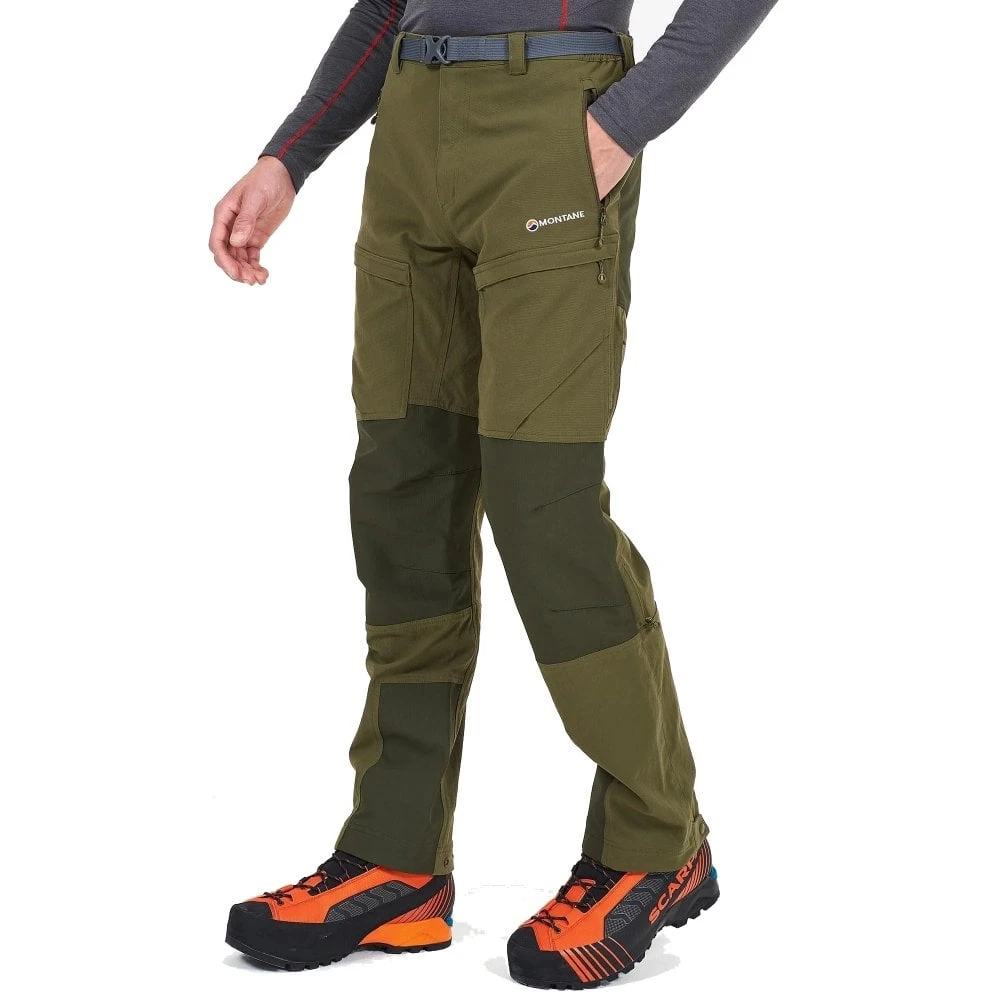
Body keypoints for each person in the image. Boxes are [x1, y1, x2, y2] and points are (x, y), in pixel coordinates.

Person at [211, 1, 777, 988]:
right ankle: (395, 856)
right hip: (410, 131)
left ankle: (655, 838)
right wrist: (289, 156)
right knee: (402, 493)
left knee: (541, 499)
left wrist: (623, 120)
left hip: (551, 126)